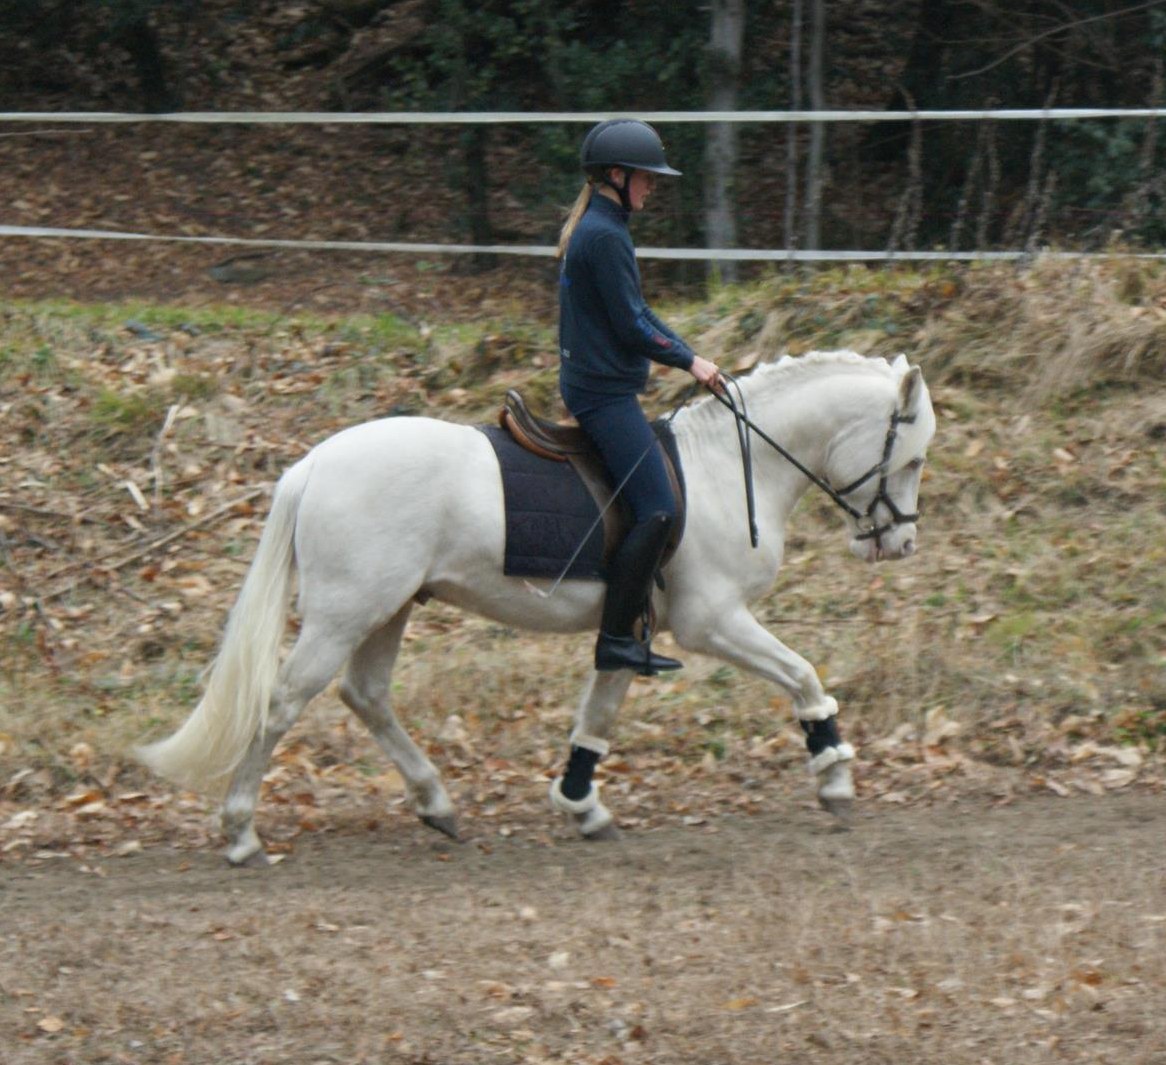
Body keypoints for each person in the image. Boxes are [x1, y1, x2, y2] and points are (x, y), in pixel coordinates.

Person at [557, 118, 723, 677]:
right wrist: (689, 360)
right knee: (658, 506)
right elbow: (632, 326)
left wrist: (690, 355)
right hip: (602, 395)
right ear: (617, 175)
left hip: (602, 385)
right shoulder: (603, 236)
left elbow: (639, 314)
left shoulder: (606, 229)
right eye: (647, 178)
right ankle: (615, 640)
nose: (653, 187)